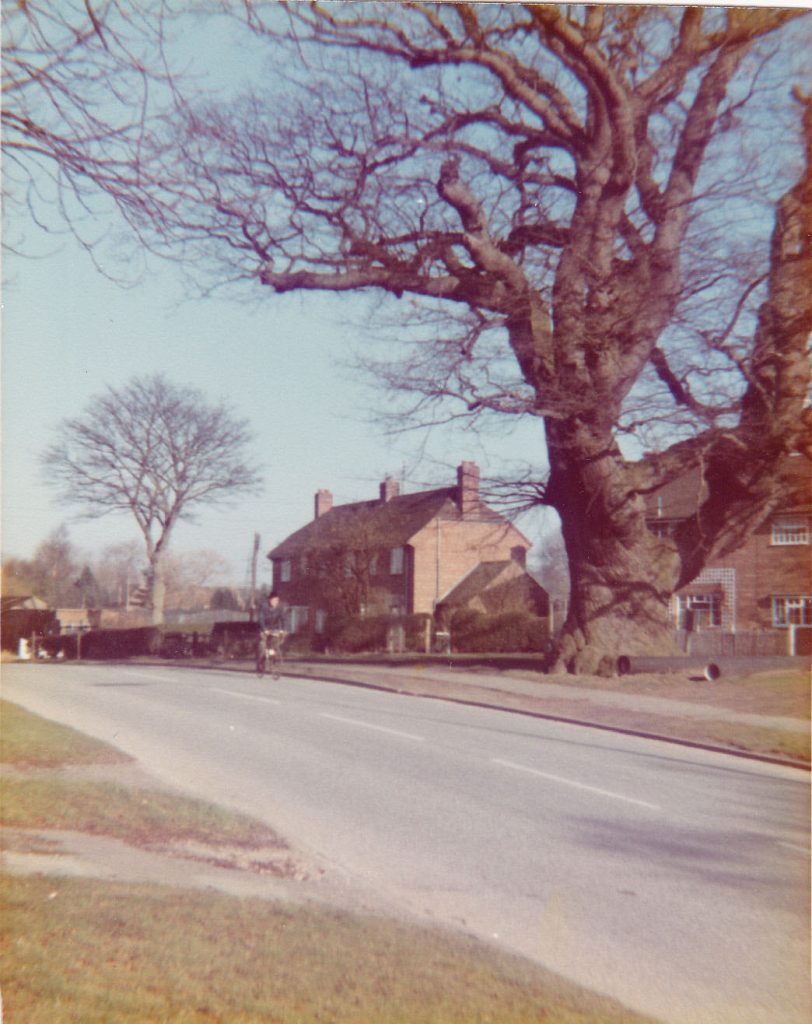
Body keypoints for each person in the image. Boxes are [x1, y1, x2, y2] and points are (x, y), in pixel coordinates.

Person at [257, 591, 288, 664]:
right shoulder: (264, 606)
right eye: (273, 600)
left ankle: (273, 656)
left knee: (276, 642)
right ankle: (261, 660)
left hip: (275, 628)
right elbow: (261, 618)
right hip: (264, 628)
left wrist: (284, 630)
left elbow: (283, 619)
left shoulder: (280, 607)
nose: (275, 602)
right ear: (270, 600)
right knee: (262, 644)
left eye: (277, 600)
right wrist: (264, 629)